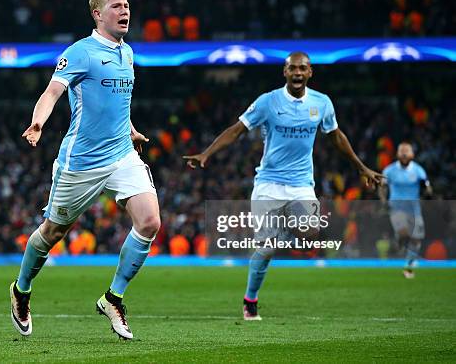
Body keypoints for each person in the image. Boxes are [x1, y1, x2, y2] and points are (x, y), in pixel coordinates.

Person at [9, 0, 160, 340]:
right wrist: (38, 122)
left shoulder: (128, 53)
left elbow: (118, 105)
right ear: (97, 14)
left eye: (126, 5)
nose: (125, 12)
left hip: (121, 155)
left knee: (150, 221)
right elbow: (52, 91)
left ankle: (113, 298)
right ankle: (21, 289)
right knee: (52, 233)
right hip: (81, 162)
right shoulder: (80, 52)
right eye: (116, 7)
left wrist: (132, 131)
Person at [183, 52, 383, 321]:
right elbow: (236, 130)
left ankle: (275, 236)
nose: (298, 73)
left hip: (301, 184)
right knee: (266, 250)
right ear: (285, 72)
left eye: (302, 68)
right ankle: (250, 299)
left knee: (311, 229)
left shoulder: (322, 103)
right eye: (293, 69)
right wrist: (207, 153)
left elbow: (336, 137)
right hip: (268, 184)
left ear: (310, 72)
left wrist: (362, 168)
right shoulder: (268, 102)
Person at [379, 142, 431, 278]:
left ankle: (408, 266)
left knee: (417, 239)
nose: (403, 154)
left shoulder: (418, 170)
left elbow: (427, 187)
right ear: (397, 154)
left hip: (414, 209)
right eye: (401, 151)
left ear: (412, 154)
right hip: (396, 208)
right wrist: (383, 200)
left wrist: (427, 191)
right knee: (404, 233)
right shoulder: (389, 170)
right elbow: (382, 187)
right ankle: (398, 241)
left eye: (406, 151)